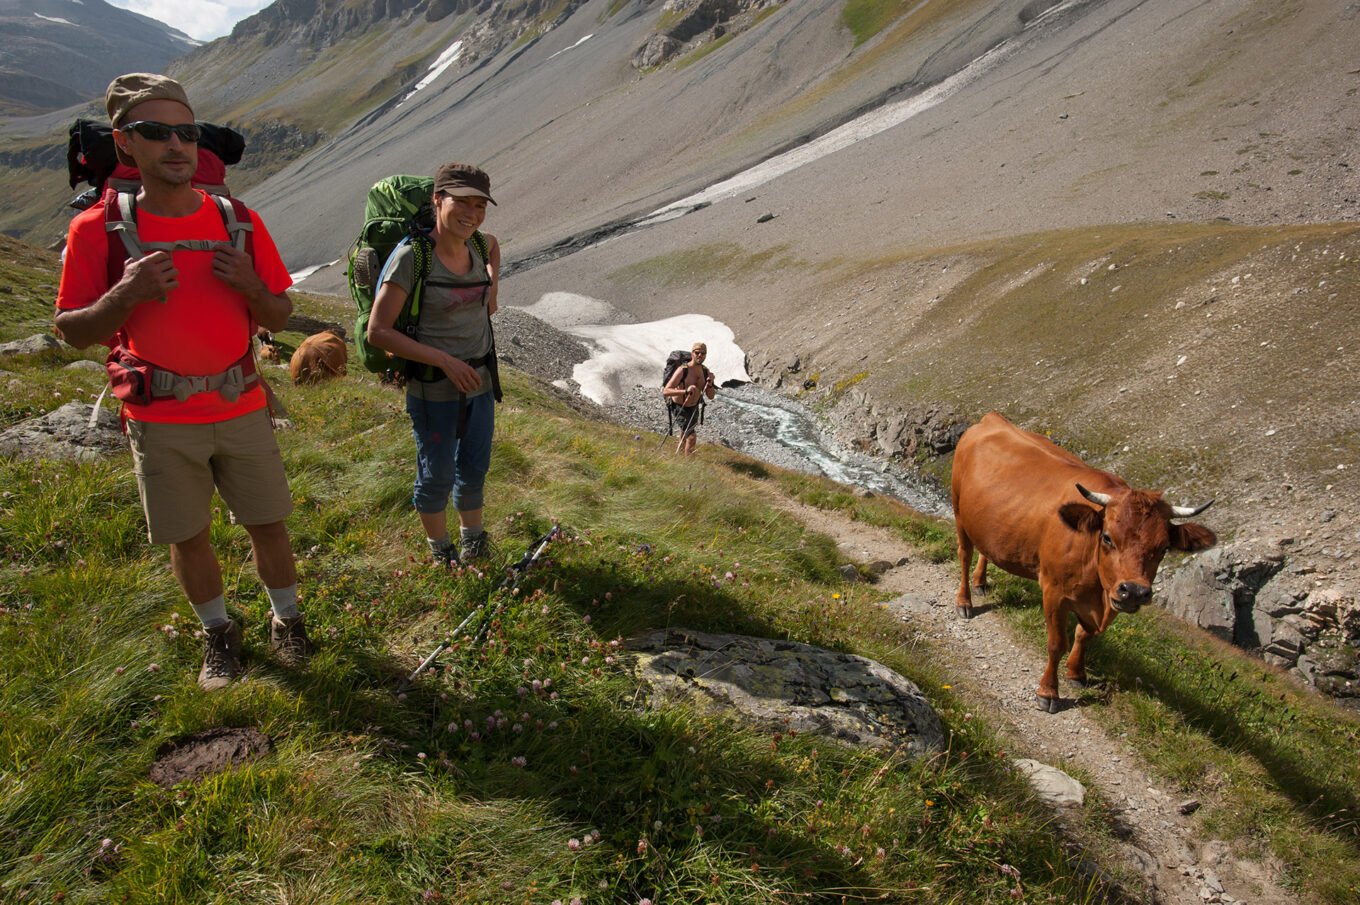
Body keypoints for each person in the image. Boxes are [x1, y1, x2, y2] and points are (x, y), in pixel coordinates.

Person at [54, 73, 309, 691]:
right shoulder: (96, 230)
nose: (176, 145)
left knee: (269, 524)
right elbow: (73, 329)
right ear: (125, 145)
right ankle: (219, 632)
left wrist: (250, 286)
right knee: (188, 535)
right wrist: (126, 294)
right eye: (155, 132)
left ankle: (288, 620)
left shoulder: (238, 220)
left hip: (241, 402)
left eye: (186, 132)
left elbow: (279, 314)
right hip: (160, 417)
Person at [366, 162, 502, 567]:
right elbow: (379, 331)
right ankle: (441, 551)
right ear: (438, 199)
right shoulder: (412, 258)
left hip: (479, 381)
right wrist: (444, 361)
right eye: (462, 202)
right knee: (437, 474)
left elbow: (494, 251)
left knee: (474, 467)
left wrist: (494, 282)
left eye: (480, 205)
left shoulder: (479, 246)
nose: (472, 214)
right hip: (433, 387)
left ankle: (473, 540)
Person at [662, 342, 715, 455]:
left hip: (694, 407)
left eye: (703, 353)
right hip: (679, 407)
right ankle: (688, 463)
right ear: (692, 353)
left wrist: (710, 383)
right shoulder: (683, 369)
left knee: (684, 433)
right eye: (697, 353)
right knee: (691, 437)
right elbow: (666, 391)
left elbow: (711, 396)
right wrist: (685, 391)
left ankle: (679, 456)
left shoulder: (705, 372)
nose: (700, 355)